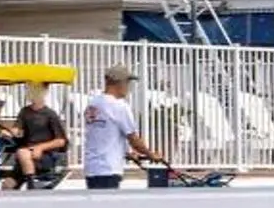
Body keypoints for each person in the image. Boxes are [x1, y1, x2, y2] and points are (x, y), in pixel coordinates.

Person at [77, 62, 164, 190]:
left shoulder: (93, 104)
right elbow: (133, 139)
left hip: (92, 168)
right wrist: (151, 155)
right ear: (119, 83)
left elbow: (104, 135)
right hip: (109, 169)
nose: (128, 87)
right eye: (127, 83)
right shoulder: (119, 106)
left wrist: (126, 152)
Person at [9, 86, 69, 188]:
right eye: (29, 89)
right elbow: (17, 129)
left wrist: (40, 148)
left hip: (44, 156)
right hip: (25, 157)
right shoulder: (24, 112)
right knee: (7, 185)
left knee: (22, 152)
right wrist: (11, 131)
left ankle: (31, 185)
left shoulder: (50, 114)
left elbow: (61, 141)